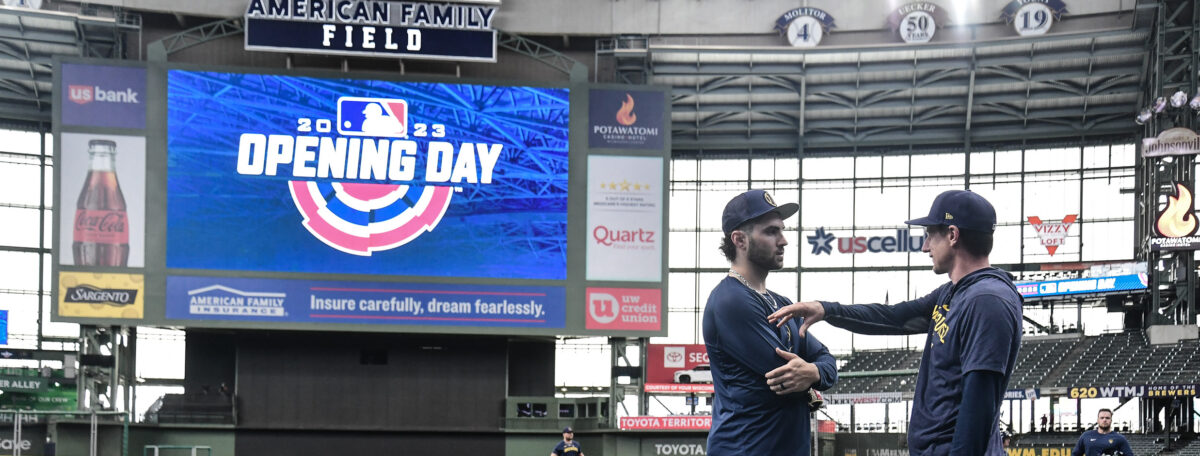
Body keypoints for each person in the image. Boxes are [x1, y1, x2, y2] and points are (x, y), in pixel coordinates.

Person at [768, 189, 1022, 456]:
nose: (925, 247)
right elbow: (891, 317)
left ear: (952, 235)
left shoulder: (988, 301)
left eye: (929, 236)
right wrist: (826, 310)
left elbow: (979, 408)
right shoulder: (954, 292)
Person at [702, 189, 838, 456]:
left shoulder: (781, 302)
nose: (784, 241)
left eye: (782, 231)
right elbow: (786, 376)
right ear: (740, 240)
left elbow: (826, 360)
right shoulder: (731, 301)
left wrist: (815, 373)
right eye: (771, 232)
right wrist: (815, 375)